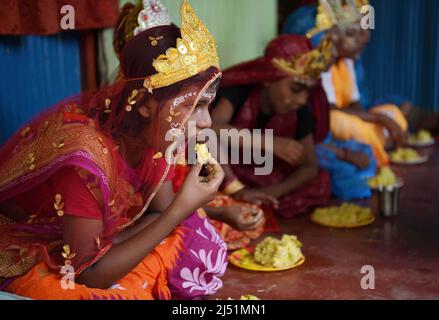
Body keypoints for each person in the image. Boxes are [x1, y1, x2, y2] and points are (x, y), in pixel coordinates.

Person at [0, 0, 227, 300]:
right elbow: (87, 274)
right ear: (146, 104)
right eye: (194, 106)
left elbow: (157, 211)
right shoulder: (84, 158)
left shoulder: (152, 134)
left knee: (198, 233)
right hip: (35, 244)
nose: (206, 122)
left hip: (95, 240)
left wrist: (179, 210)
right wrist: (180, 209)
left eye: (206, 106)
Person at [210, 34, 333, 219]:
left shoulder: (301, 112)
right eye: (296, 89)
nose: (302, 99)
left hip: (265, 176)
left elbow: (310, 167)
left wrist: (273, 192)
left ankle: (259, 200)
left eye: (309, 91)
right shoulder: (238, 91)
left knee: (321, 182)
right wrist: (269, 143)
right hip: (226, 171)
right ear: (268, 78)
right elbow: (211, 130)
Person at [283, 2, 377, 200]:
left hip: (321, 146)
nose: (335, 52)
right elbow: (303, 146)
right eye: (329, 43)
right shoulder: (293, 88)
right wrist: (344, 154)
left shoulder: (315, 86)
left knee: (366, 154)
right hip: (297, 154)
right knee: (340, 180)